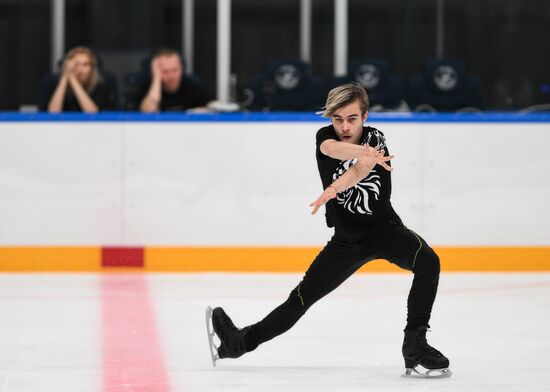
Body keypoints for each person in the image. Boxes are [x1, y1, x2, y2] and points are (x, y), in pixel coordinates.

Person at [206, 83, 451, 378]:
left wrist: (346, 176)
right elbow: (334, 150)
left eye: (352, 119)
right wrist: (343, 178)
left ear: (365, 116)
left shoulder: (376, 138)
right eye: (338, 119)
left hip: (385, 231)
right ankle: (238, 342)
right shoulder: (326, 138)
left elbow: (360, 171)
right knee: (299, 300)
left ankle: (415, 345)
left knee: (428, 262)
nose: (345, 126)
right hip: (346, 242)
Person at [41, 46, 116, 113]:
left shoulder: (101, 86)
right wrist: (65, 78)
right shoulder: (53, 84)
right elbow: (52, 114)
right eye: (76, 64)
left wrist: (73, 80)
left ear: (92, 68)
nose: (80, 69)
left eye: (85, 65)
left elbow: (93, 115)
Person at [139, 49, 213, 112]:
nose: (171, 76)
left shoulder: (193, 86)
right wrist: (156, 79)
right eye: (165, 71)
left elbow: (214, 108)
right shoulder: (147, 88)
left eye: (174, 70)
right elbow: (148, 111)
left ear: (181, 69)